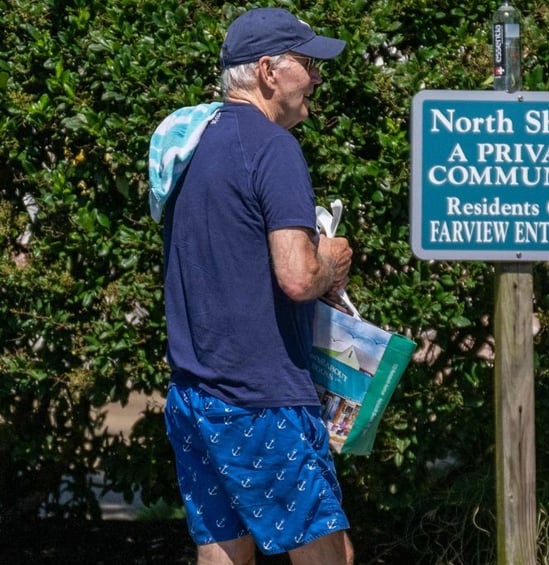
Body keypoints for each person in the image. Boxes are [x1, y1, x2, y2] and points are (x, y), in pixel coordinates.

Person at [156, 7, 354, 564]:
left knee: (225, 551)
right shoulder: (273, 148)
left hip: (195, 394)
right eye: (309, 64)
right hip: (260, 398)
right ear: (269, 70)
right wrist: (331, 258)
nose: (317, 77)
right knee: (329, 553)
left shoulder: (191, 143)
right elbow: (297, 276)